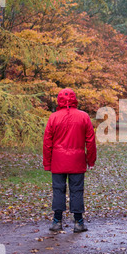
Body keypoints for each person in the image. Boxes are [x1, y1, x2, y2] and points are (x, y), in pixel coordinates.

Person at [43, 88, 96, 232]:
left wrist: (47, 163)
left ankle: (57, 221)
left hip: (58, 161)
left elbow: (47, 142)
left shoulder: (53, 117)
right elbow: (90, 141)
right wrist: (91, 161)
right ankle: (78, 222)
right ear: (74, 99)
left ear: (59, 99)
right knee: (77, 190)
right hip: (77, 161)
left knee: (58, 190)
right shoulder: (83, 116)